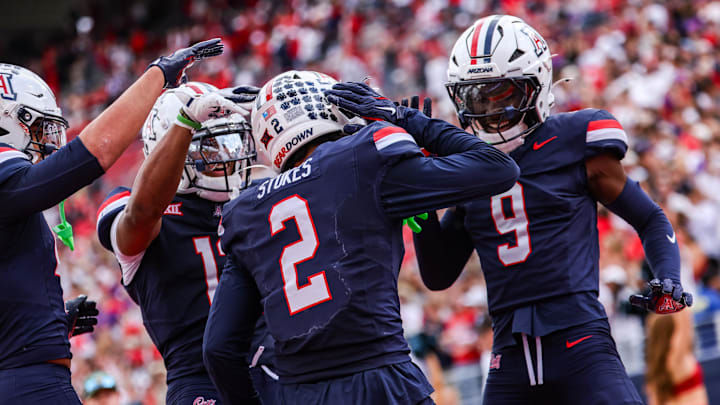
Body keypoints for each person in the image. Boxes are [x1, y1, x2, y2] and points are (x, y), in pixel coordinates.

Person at [411, 14, 693, 404]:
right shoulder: (469, 167)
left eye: (501, 94)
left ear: (535, 85)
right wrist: (418, 201)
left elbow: (649, 217)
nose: (489, 111)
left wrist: (669, 275)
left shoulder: (575, 140)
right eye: (475, 97)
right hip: (507, 354)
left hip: (580, 342)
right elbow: (439, 275)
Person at [202, 70, 520, 404]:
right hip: (380, 381)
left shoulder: (245, 209)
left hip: (300, 394)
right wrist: (407, 120)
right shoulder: (362, 158)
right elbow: (498, 167)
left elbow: (218, 348)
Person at [0, 39, 224, 403]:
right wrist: (157, 76)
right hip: (28, 382)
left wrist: (46, 325)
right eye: (39, 129)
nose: (48, 142)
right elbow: (93, 153)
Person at [95, 81, 277, 404]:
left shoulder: (252, 196)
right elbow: (142, 215)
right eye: (209, 146)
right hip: (201, 381)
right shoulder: (136, 208)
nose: (226, 155)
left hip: (275, 365)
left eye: (231, 141)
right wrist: (186, 123)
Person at [645, 310, 708, 405]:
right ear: (672, 332)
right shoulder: (676, 358)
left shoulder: (654, 367)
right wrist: (677, 297)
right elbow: (685, 322)